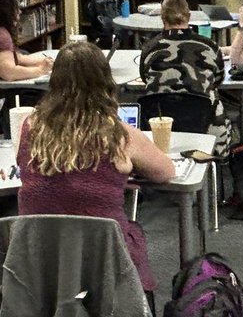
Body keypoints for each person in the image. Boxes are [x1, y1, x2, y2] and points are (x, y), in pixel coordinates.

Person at [16, 42, 174, 293]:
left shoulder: (31, 127)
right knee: (133, 234)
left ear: (54, 82)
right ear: (104, 81)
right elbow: (166, 172)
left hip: (40, 258)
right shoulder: (119, 135)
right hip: (104, 262)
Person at [140, 0, 231, 156]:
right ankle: (218, 164)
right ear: (189, 17)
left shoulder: (150, 48)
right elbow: (217, 81)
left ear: (162, 18)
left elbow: (145, 78)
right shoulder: (210, 47)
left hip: (160, 122)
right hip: (202, 118)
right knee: (215, 102)